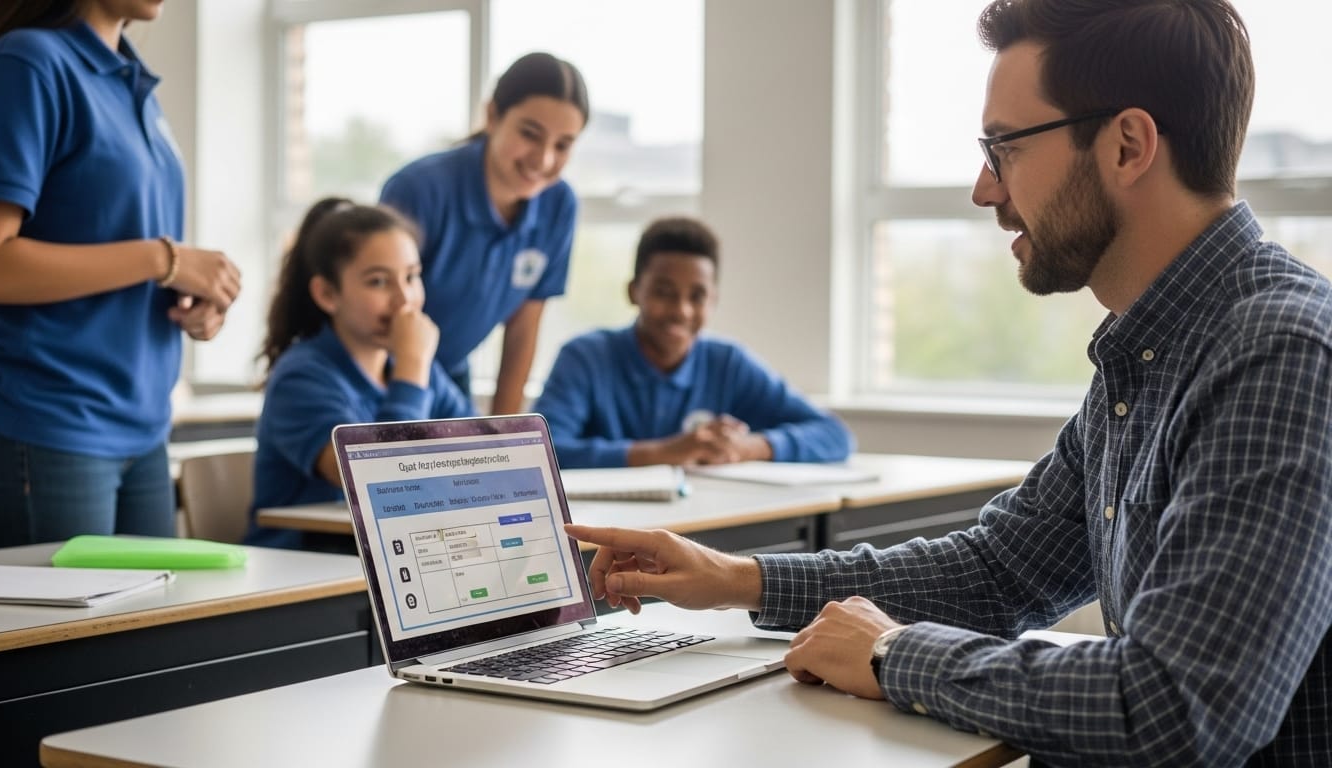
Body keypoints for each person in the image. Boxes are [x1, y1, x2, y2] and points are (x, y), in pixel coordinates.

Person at [565, 0, 1332, 763]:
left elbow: (1174, 709)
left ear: (1127, 145)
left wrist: (893, 655)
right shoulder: (1146, 356)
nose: (985, 189)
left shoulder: (1282, 354)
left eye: (1005, 149)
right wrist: (738, 578)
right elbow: (999, 568)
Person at [0, 0, 243, 550]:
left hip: (141, 432)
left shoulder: (129, 78)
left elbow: (114, 246)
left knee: (148, 637)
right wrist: (164, 259)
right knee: (70, 639)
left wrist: (189, 296)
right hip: (40, 426)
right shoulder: (27, 64)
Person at [535, 216, 854, 469]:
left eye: (697, 296)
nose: (681, 311)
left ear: (713, 301)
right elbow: (543, 451)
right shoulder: (585, 357)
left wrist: (745, 448)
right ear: (634, 291)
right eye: (664, 292)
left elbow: (835, 434)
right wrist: (666, 452)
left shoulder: (727, 362)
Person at [247, 199, 476, 549]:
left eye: (412, 277)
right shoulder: (301, 377)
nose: (404, 300)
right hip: (304, 571)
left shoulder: (417, 367)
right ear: (327, 294)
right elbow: (379, 480)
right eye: (379, 282)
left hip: (392, 559)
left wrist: (414, 367)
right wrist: (412, 368)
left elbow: (474, 455)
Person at [378, 52, 588, 414]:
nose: (543, 160)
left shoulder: (559, 205)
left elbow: (523, 328)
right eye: (530, 134)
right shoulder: (419, 190)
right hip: (385, 371)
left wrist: (506, 437)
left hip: (452, 372)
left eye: (563, 145)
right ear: (492, 116)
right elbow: (380, 309)